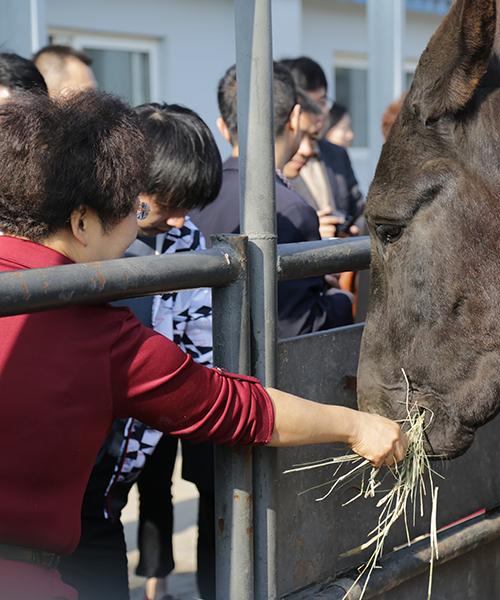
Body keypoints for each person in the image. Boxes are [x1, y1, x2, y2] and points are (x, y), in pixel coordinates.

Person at [0, 90, 407, 600]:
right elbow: (228, 405)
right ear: (81, 222)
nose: (141, 221)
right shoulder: (94, 333)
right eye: (132, 206)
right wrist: (354, 424)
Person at [57, 102, 223, 600]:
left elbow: (201, 345)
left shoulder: (187, 243)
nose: (178, 219)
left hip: (129, 455)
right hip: (73, 458)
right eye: (168, 202)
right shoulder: (77, 240)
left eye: (188, 206)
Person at [191, 63, 353, 339]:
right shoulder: (292, 211)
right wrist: (342, 300)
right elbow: (299, 325)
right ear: (295, 118)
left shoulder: (195, 196)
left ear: (223, 127)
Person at [279, 57, 364, 234]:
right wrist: (312, 231)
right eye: (309, 105)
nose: (319, 112)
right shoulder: (269, 173)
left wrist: (353, 229)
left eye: (323, 101)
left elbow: (360, 210)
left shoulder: (337, 154)